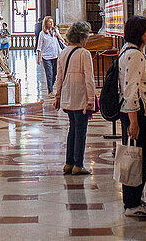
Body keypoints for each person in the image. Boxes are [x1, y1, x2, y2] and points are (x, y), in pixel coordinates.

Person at [118, 15, 146, 218]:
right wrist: (134, 122)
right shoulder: (134, 55)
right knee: (137, 157)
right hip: (136, 113)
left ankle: (134, 199)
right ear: (140, 33)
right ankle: (132, 204)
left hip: (135, 112)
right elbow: (130, 89)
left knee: (138, 156)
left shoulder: (129, 51)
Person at [53, 21, 96, 176]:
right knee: (81, 131)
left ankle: (68, 163)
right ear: (82, 38)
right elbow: (89, 79)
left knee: (72, 129)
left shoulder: (64, 52)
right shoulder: (84, 53)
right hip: (80, 97)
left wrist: (57, 96)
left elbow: (59, 77)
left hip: (67, 96)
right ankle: (78, 164)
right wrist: (90, 100)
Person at [36, 15, 64, 96]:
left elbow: (62, 41)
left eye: (52, 22)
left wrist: (58, 36)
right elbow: (39, 46)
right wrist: (39, 58)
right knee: (49, 73)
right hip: (46, 56)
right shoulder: (42, 33)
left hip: (56, 55)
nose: (52, 23)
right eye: (50, 22)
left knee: (55, 73)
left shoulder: (56, 31)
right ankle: (50, 91)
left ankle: (51, 86)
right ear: (46, 23)